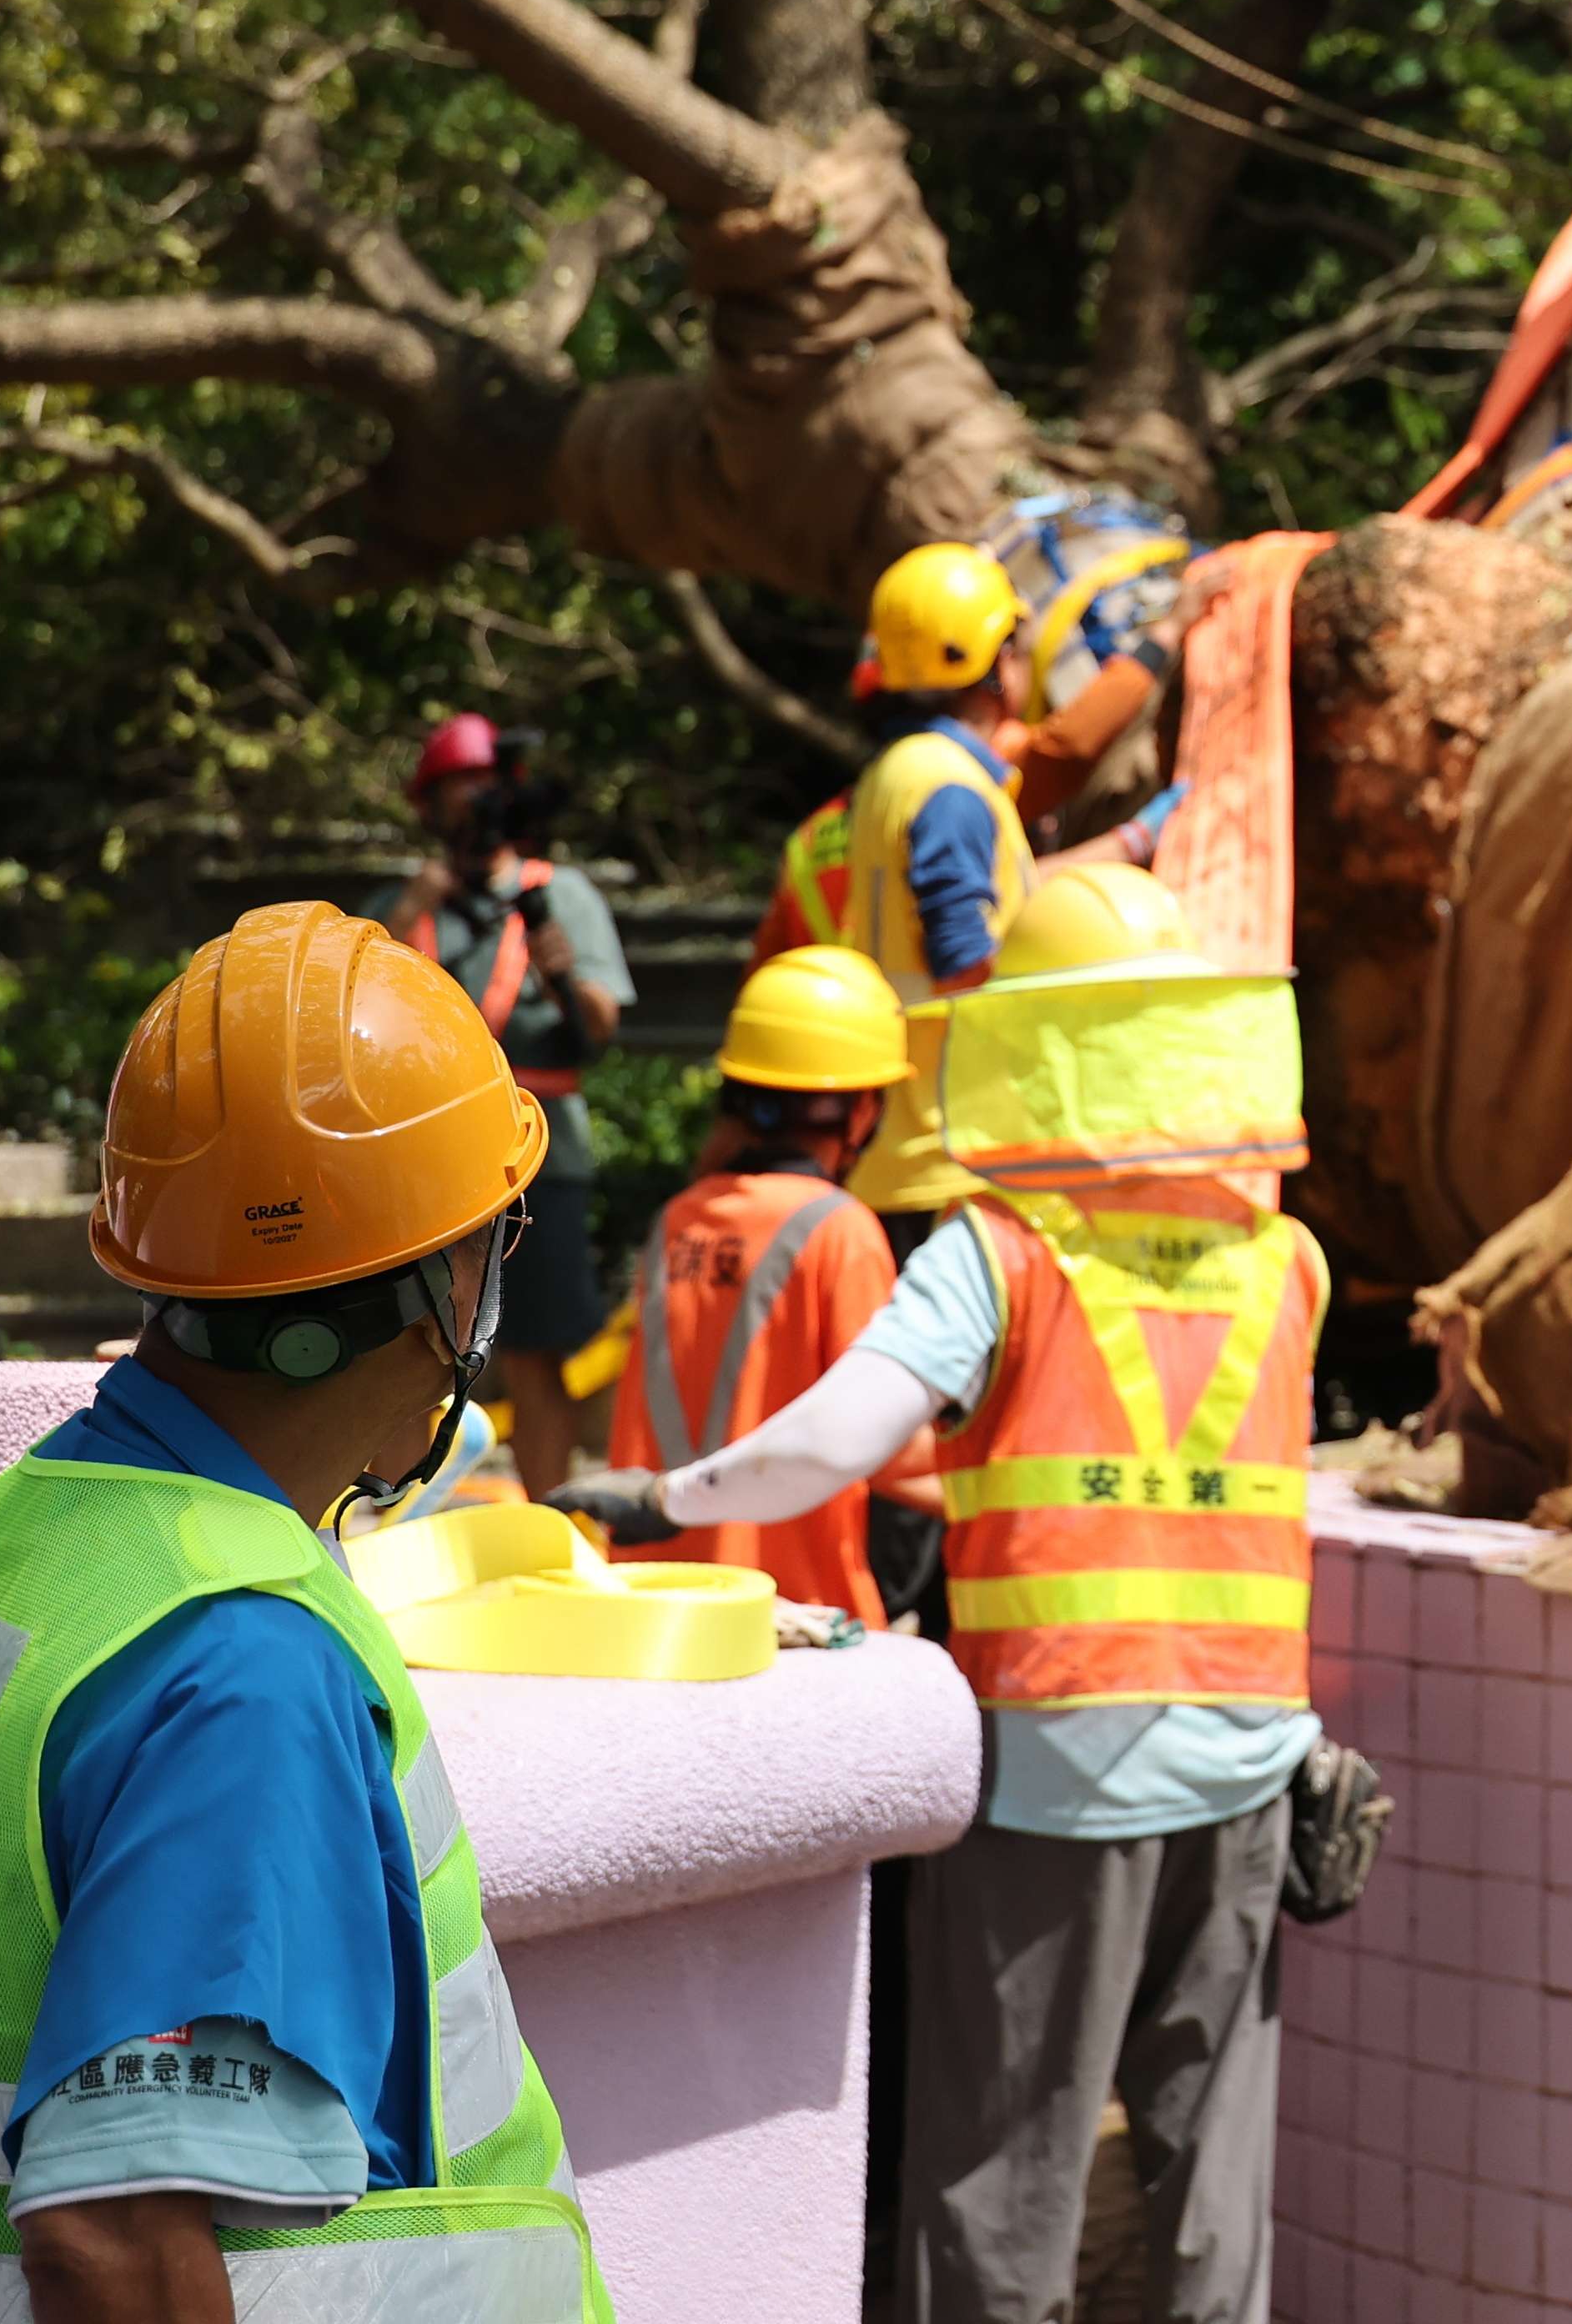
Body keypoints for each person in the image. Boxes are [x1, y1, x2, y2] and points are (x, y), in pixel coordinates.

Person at [0, 902, 610, 2321]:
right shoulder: (246, 1667)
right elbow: (110, 2236)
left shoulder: (32, 1542)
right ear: (441, 1292)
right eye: (489, 1237)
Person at [552, 863, 1327, 2324]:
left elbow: (836, 1439)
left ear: (1026, 1040)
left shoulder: (1001, 1249)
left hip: (1060, 1770)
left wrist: (663, 1499)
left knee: (1002, 2182)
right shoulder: (1285, 1257)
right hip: (1251, 1763)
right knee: (1215, 2195)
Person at [596, 943, 922, 1624]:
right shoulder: (842, 1231)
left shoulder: (679, 1219)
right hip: (794, 1603)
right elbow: (888, 1446)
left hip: (655, 1604)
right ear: (862, 1112)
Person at [395, 712, 634, 1494]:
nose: (475, 807)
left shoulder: (558, 894)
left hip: (538, 1156)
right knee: (402, 1342)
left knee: (536, 1352)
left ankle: (550, 1515)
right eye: (458, 791)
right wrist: (408, 909)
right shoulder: (411, 902)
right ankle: (390, 1510)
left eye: (486, 789)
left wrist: (561, 970)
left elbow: (601, 1029)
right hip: (422, 1159)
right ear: (429, 805)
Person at [844, 545, 1034, 1001]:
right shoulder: (951, 787)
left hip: (910, 1042)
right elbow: (963, 962)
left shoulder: (899, 768)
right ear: (999, 659)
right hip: (962, 1045)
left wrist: (1128, 841)